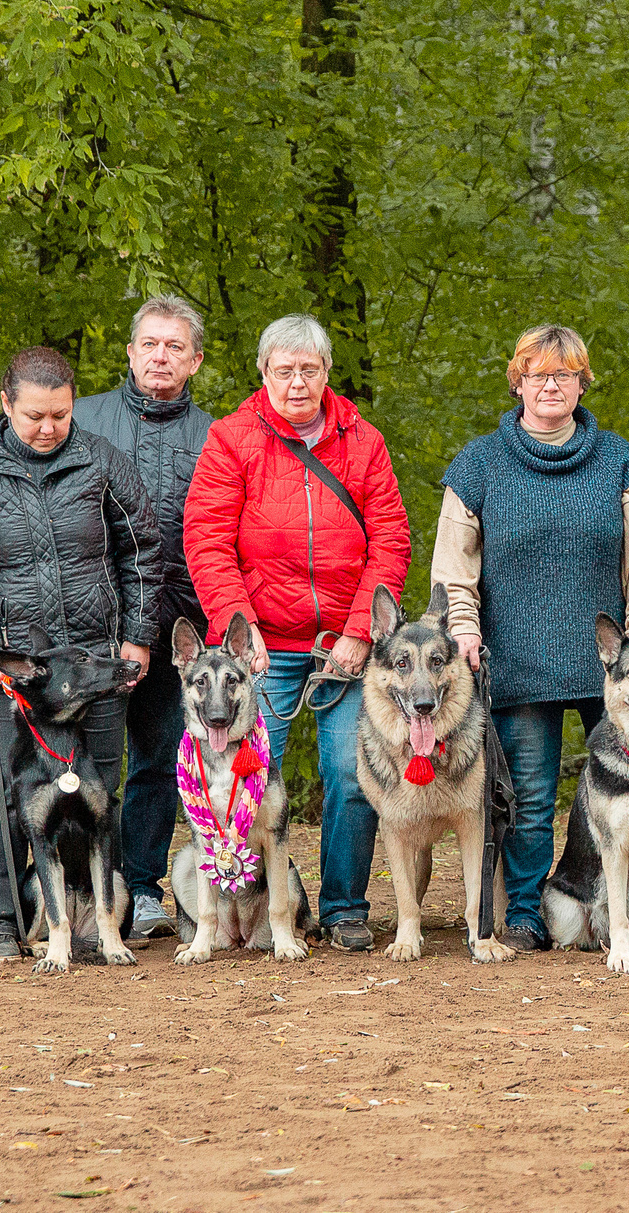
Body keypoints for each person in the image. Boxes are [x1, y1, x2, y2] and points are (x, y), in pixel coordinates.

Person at [185, 314, 412, 952]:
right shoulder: (231, 440)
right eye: (283, 371)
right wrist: (241, 626)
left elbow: (391, 537)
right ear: (263, 374)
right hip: (258, 651)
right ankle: (246, 908)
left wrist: (360, 630)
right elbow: (206, 540)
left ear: (327, 373)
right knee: (249, 781)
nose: (296, 382)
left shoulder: (363, 442)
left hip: (341, 648)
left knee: (350, 775)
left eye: (307, 369)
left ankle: (344, 909)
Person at [434, 324, 629, 954]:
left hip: (612, 666)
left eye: (565, 374)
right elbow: (456, 568)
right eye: (538, 374)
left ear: (582, 382)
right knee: (529, 798)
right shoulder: (478, 464)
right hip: (517, 657)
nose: (552, 385)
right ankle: (533, 909)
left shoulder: (618, 462)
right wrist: (464, 629)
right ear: (518, 382)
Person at [0, 346, 159, 963]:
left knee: (100, 793)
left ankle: (99, 921)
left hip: (96, 665)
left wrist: (137, 636)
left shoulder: (104, 462)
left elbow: (141, 552)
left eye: (60, 415)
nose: (48, 428)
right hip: (20, 670)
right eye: (34, 415)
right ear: (6, 404)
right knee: (7, 797)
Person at [74, 295, 216, 943]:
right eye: (150, 344)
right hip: (92, 628)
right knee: (83, 763)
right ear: (129, 352)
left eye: (174, 346)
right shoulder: (82, 420)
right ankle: (81, 892)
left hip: (178, 626)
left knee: (158, 762)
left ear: (196, 359)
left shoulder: (219, 437)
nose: (161, 356)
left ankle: (142, 889)